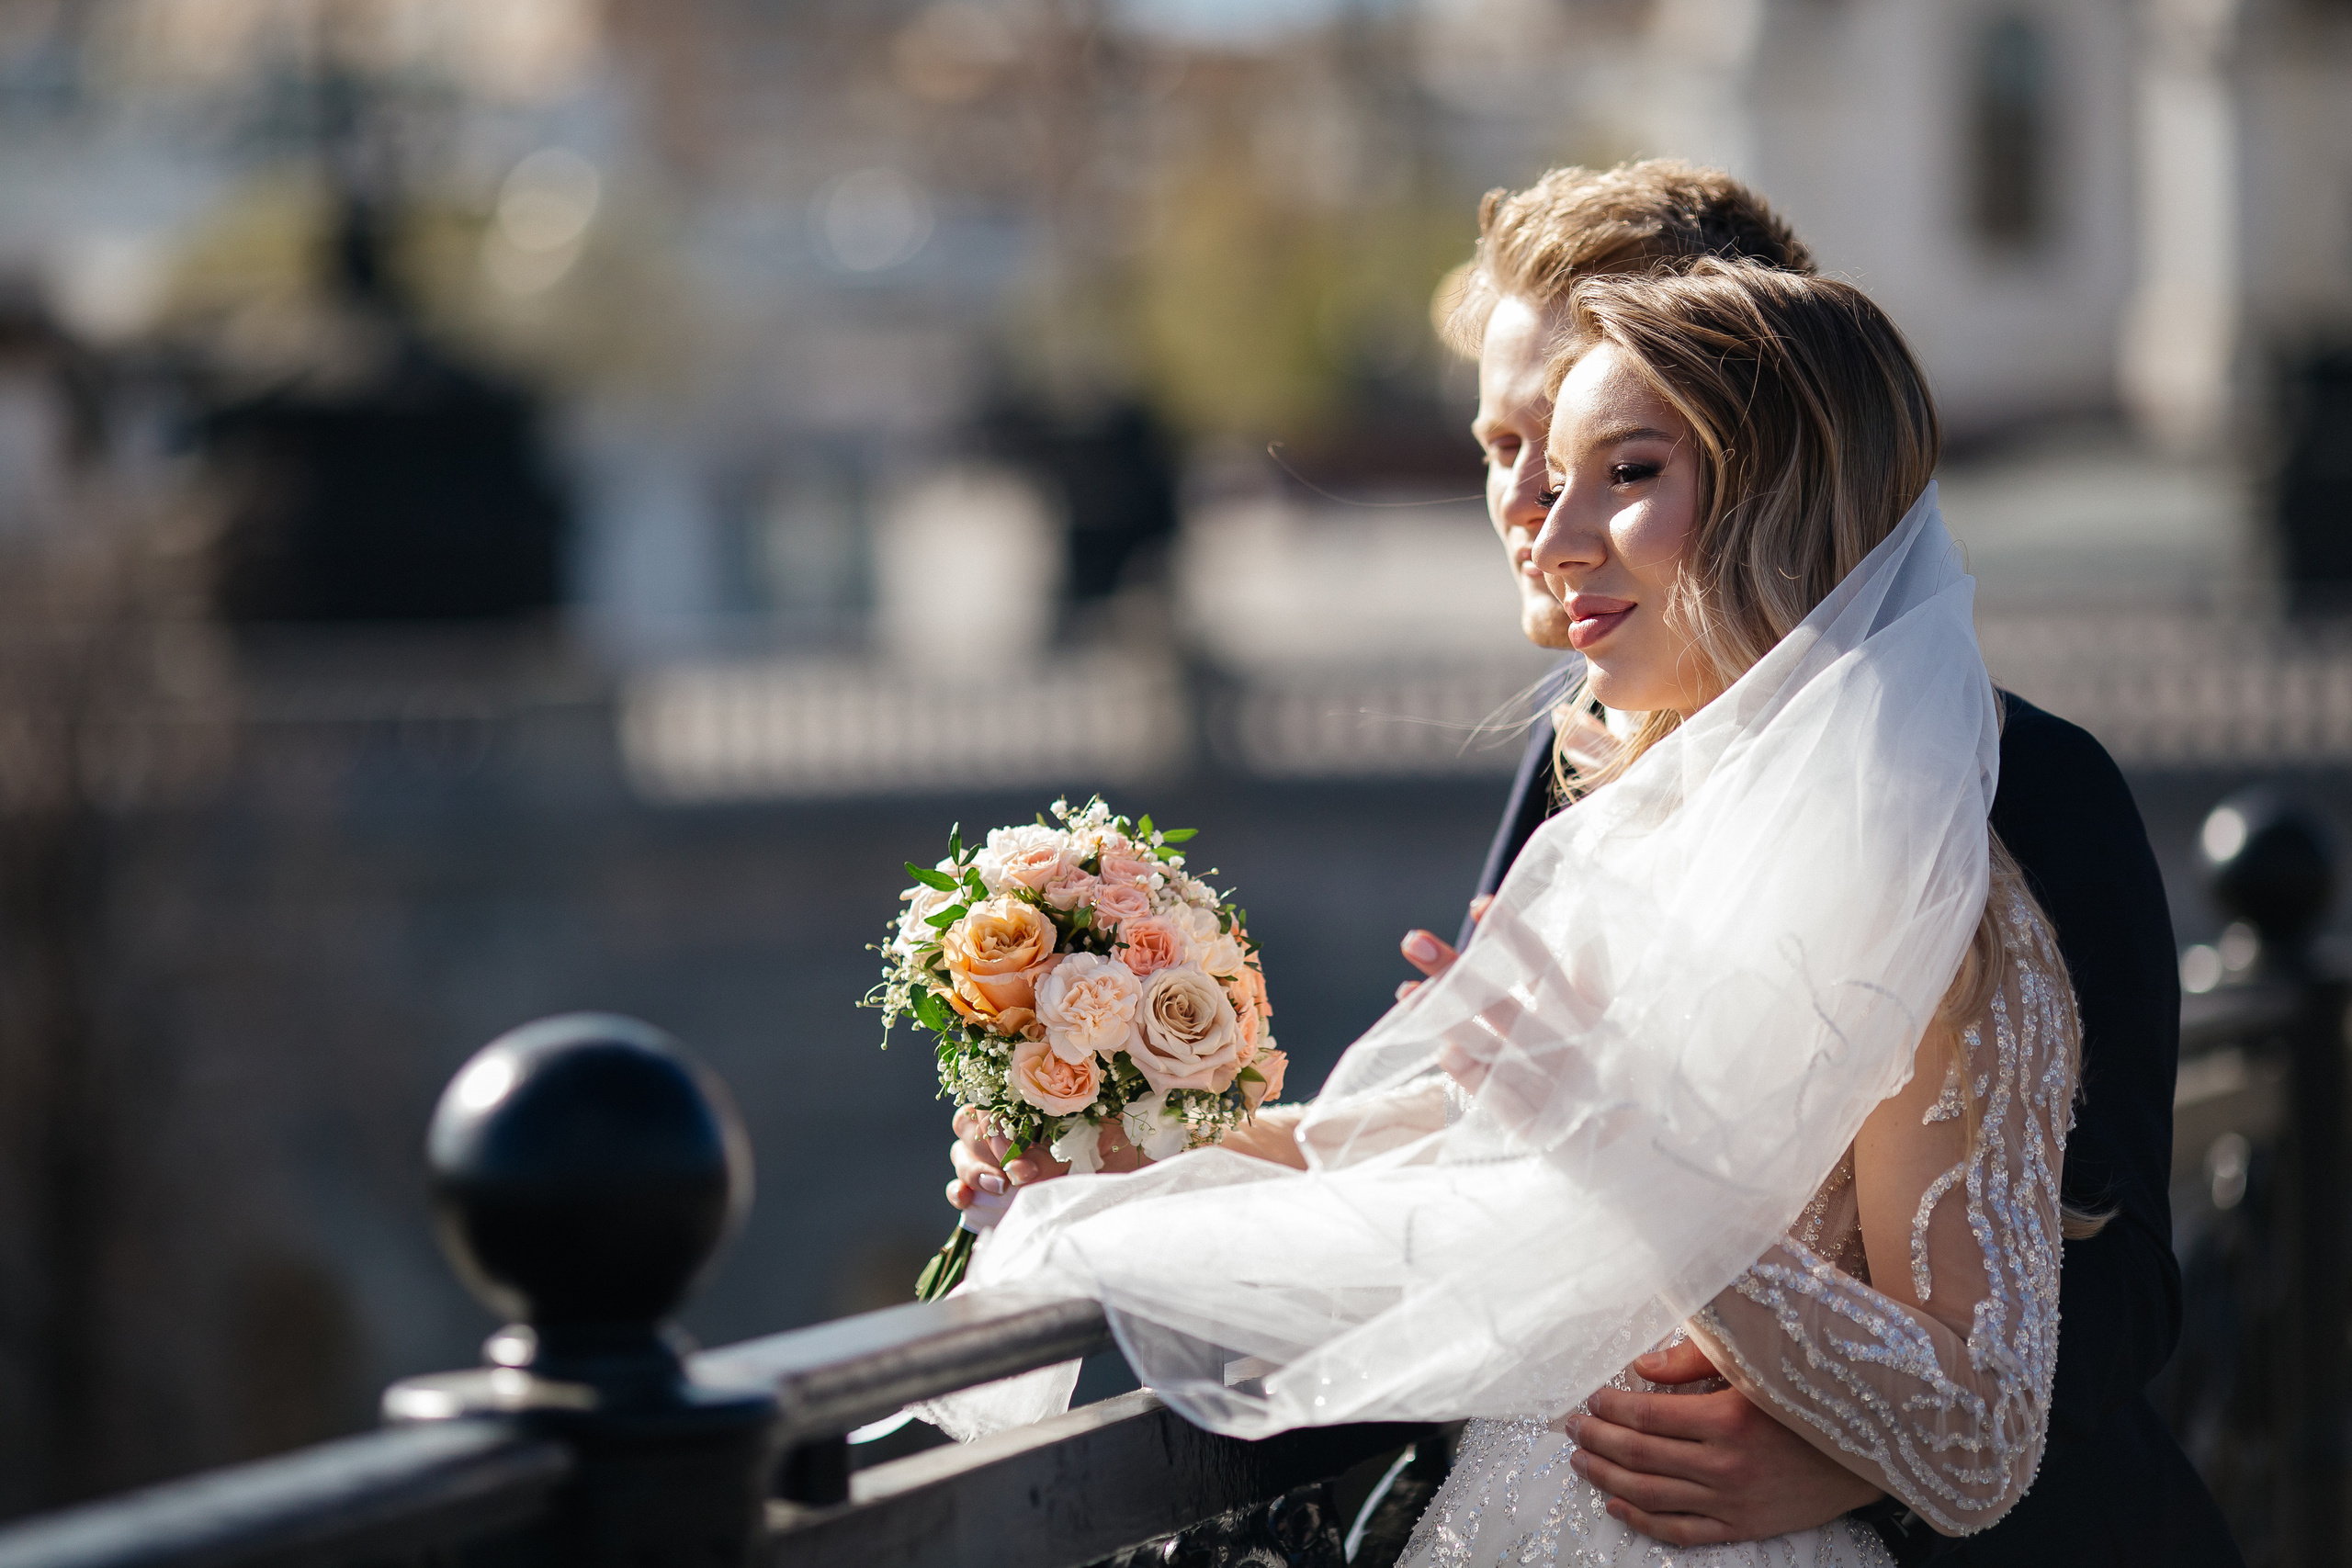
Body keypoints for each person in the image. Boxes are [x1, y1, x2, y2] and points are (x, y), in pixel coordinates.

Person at [933, 258, 2096, 1565]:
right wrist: (1131, 1159)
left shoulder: (1952, 933)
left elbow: (1987, 1432)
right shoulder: (1616, 849)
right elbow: (1434, 1154)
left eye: (1632, 474)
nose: (1550, 536)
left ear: (1787, 500)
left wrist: (1619, 1151)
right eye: (1547, 477)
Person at [1389, 163, 2235, 1565]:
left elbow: (2125, 1276)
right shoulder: (1581, 766)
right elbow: (1476, 1128)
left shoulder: (2035, 790)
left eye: (1599, 448)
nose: (1536, 509)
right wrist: (1132, 1143)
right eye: (1504, 447)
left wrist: (1847, 1462)